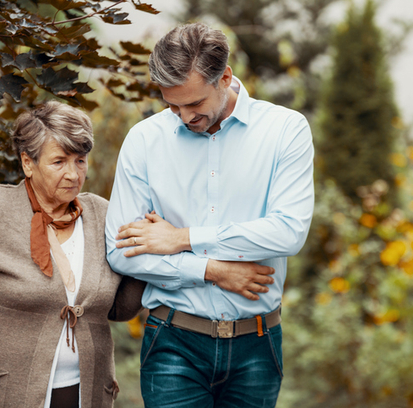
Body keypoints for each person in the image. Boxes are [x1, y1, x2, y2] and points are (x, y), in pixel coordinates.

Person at [105, 23, 315, 408]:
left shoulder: (285, 130)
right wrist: (212, 270)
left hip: (258, 346)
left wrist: (183, 238)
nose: (184, 117)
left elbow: (289, 231)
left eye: (195, 104)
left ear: (226, 78)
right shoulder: (145, 140)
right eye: (173, 105)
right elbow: (121, 250)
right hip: (173, 341)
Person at [0, 101, 145, 407]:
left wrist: (147, 262)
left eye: (80, 161)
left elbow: (117, 309)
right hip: (1, 395)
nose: (73, 174)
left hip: (86, 395)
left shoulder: (102, 215)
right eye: (59, 162)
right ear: (28, 163)